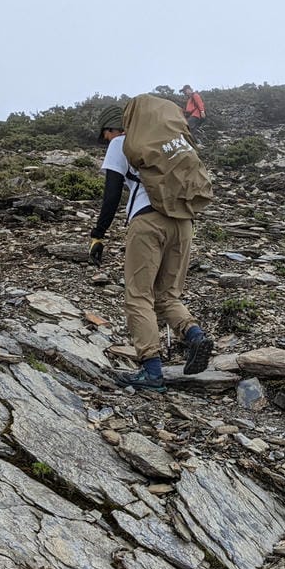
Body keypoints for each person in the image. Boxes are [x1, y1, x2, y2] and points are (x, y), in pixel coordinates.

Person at [89, 103, 214, 391]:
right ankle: (195, 335)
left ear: (113, 128)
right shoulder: (168, 143)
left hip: (148, 222)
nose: (106, 141)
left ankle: (152, 371)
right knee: (167, 295)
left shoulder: (121, 143)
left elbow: (111, 195)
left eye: (105, 135)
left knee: (138, 296)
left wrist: (98, 235)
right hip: (183, 223)